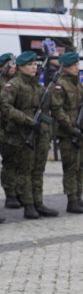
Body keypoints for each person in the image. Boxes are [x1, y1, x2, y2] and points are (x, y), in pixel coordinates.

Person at [0, 51, 59, 218]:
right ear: (20, 67)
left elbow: (49, 108)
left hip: (40, 133)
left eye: (34, 64)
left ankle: (38, 202)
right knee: (25, 170)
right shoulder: (13, 85)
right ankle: (28, 204)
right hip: (22, 133)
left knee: (38, 169)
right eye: (29, 65)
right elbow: (5, 107)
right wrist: (27, 120)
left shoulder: (38, 86)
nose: (33, 67)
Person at [50, 51, 83, 212]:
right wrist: (71, 128)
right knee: (71, 167)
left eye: (77, 64)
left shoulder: (77, 84)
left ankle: (79, 197)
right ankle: (71, 200)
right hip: (68, 132)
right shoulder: (59, 84)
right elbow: (57, 109)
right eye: (74, 65)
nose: (77, 67)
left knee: (81, 165)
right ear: (66, 66)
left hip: (81, 129)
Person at [0, 53, 19, 210]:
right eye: (9, 64)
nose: (12, 67)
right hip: (3, 129)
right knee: (8, 163)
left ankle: (17, 192)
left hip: (15, 129)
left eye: (14, 63)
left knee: (16, 162)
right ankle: (10, 194)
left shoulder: (16, 82)